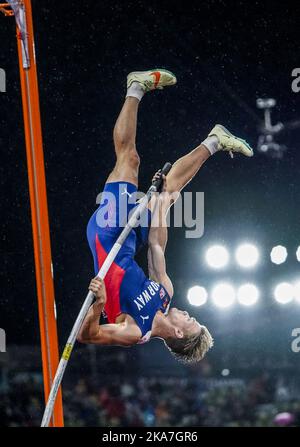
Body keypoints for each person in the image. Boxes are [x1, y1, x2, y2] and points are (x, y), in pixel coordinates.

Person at [78, 69, 253, 363]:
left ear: (180, 334)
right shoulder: (165, 294)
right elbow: (157, 245)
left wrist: (97, 307)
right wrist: (159, 205)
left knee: (129, 160)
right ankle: (214, 141)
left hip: (107, 236)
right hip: (129, 239)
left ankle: (135, 87)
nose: (187, 313)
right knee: (167, 192)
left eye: (190, 320)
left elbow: (88, 336)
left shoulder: (136, 331)